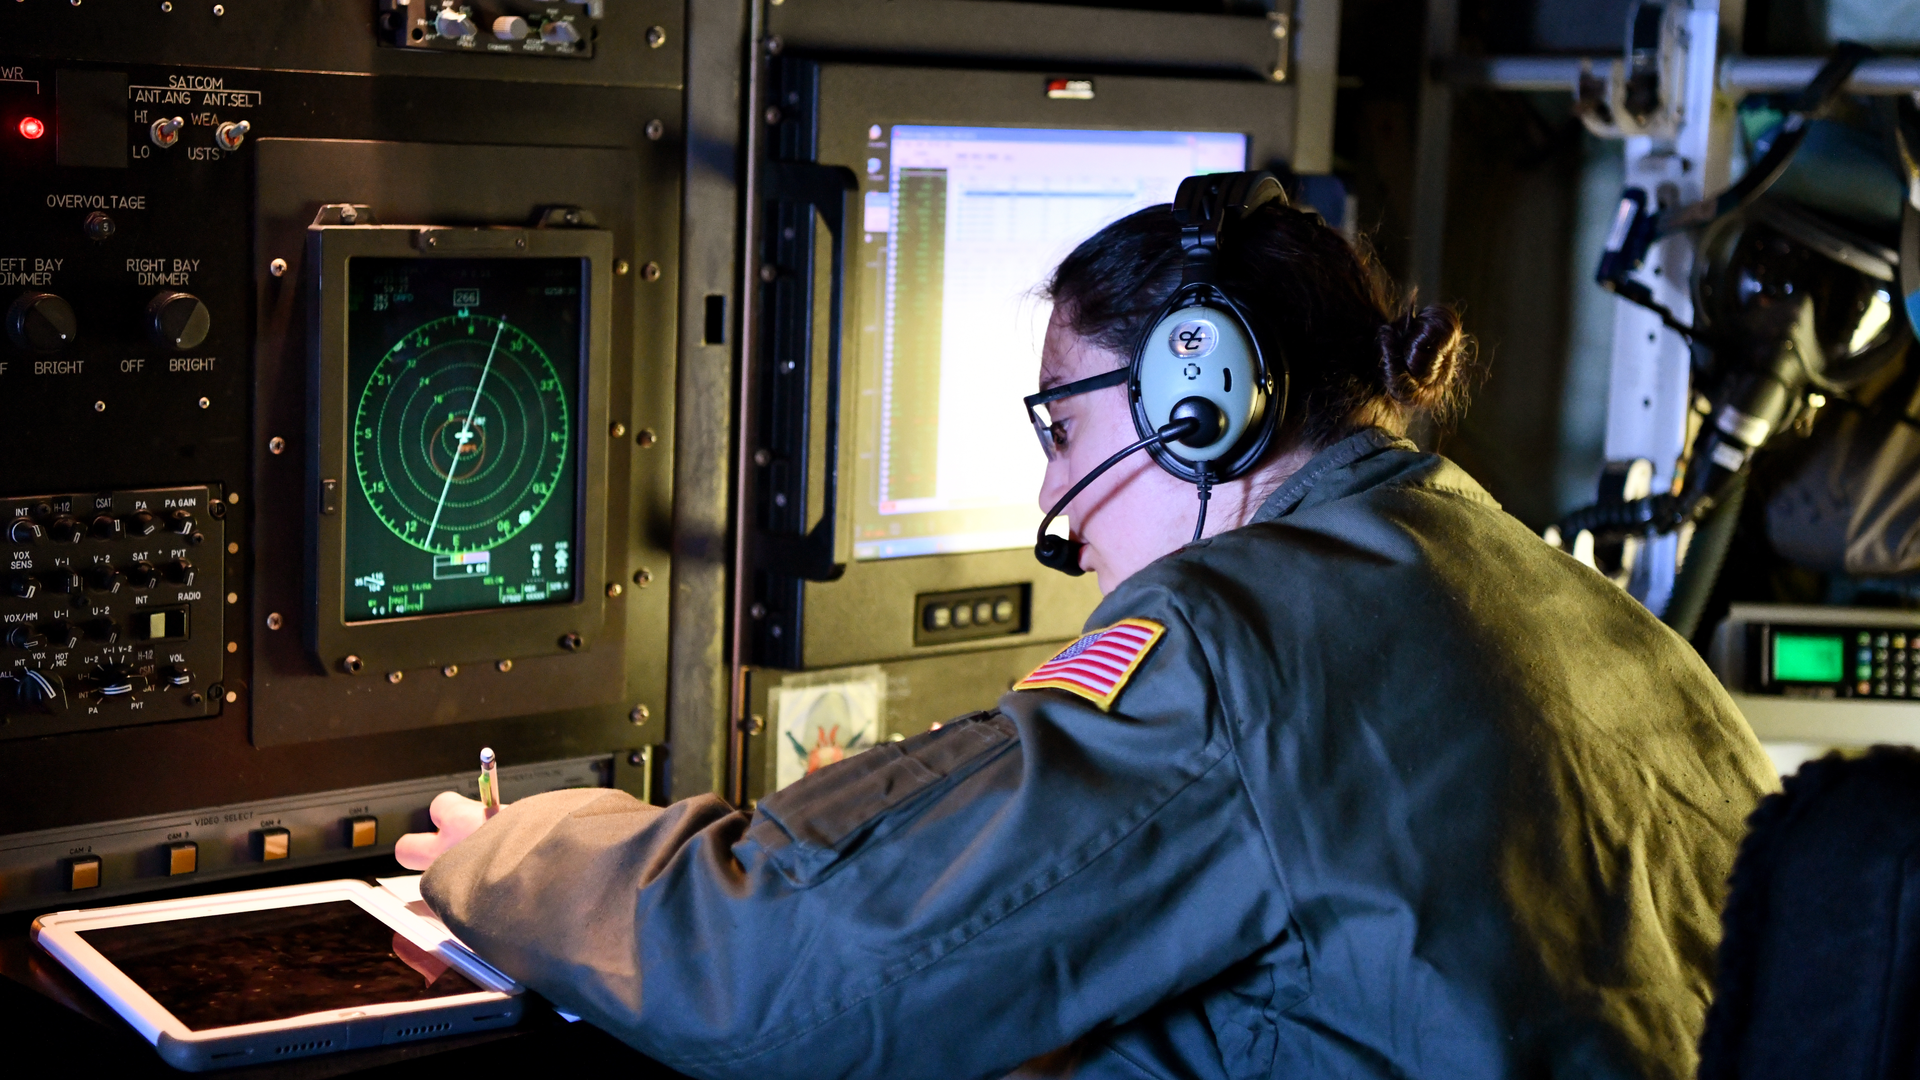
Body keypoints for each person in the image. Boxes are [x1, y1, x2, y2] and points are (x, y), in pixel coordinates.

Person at [397, 194, 1777, 1080]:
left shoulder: (1232, 636)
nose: (1056, 505)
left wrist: (517, 854)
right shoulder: (1601, 625)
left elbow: (777, 972)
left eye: (1065, 430)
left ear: (1200, 399)